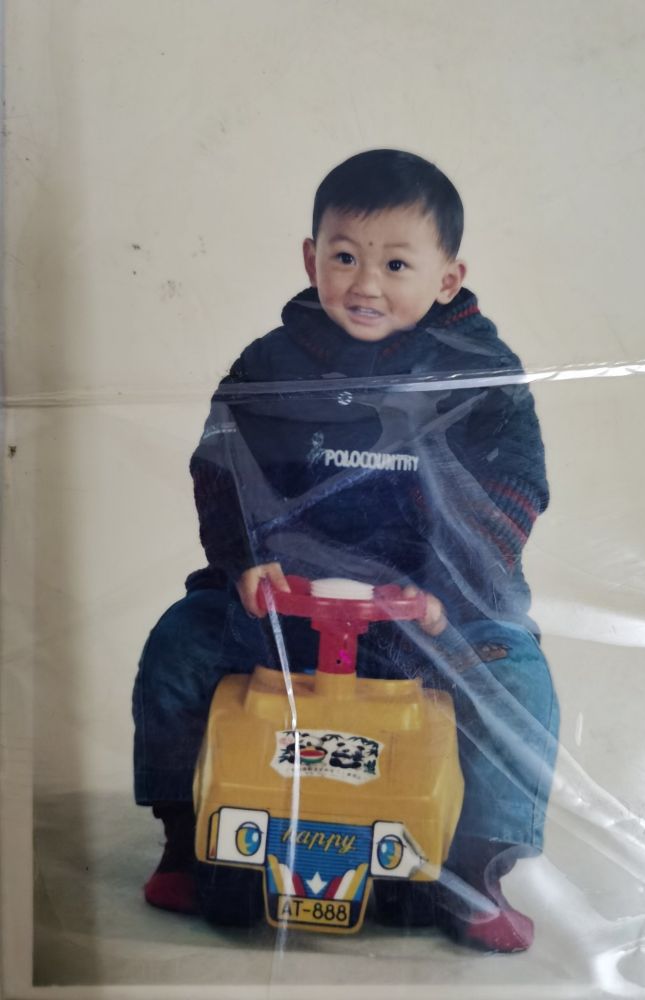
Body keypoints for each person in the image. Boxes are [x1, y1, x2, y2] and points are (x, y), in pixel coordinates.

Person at [132, 149, 559, 953]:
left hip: (429, 614)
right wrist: (246, 559)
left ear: (446, 276)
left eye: (395, 262)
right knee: (180, 646)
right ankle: (188, 834)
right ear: (311, 257)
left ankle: (475, 869)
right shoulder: (271, 365)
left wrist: (449, 585)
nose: (365, 283)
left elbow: (513, 490)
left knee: (514, 680)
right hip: (284, 602)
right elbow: (222, 468)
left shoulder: (480, 375)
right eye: (344, 257)